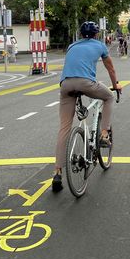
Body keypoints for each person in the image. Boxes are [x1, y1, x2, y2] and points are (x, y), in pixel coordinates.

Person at [52, 21, 122, 192]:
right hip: (86, 83)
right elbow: (111, 69)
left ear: (81, 34)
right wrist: (116, 85)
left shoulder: (72, 45)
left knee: (64, 128)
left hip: (66, 85)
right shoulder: (100, 46)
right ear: (97, 34)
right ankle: (104, 134)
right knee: (108, 97)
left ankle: (57, 173)